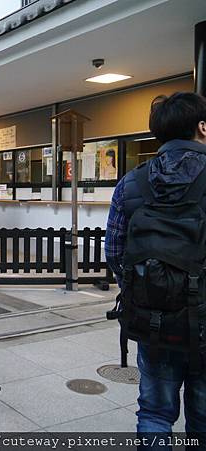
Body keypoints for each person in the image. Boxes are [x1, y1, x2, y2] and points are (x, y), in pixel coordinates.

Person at [105, 92, 206, 444]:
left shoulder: (132, 182)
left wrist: (147, 289)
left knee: (153, 413)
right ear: (202, 128)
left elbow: (116, 252)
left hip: (154, 320)